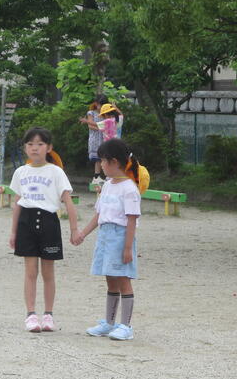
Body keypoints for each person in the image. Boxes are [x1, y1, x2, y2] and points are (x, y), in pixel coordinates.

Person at [9, 127, 79, 333]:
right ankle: (31, 315)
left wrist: (74, 229)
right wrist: (13, 232)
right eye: (30, 144)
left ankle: (48, 315)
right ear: (25, 148)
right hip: (26, 222)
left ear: (49, 148)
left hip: (49, 222)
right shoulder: (20, 172)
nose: (35, 148)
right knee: (30, 271)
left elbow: (68, 201)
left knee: (48, 272)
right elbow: (17, 203)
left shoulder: (56, 172)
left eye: (40, 144)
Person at [73, 138, 142, 341]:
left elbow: (131, 220)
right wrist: (83, 234)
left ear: (114, 162)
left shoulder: (129, 188)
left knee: (123, 280)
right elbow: (99, 215)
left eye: (103, 160)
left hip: (120, 238)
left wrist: (127, 248)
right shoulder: (108, 186)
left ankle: (126, 326)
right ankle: (109, 323)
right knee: (110, 280)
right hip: (105, 237)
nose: (100, 165)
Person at [79, 99, 106, 185]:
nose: (101, 107)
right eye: (100, 105)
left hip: (104, 137)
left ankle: (100, 176)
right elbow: (90, 126)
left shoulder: (105, 113)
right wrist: (103, 128)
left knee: (103, 157)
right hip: (95, 138)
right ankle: (96, 176)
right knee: (98, 158)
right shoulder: (91, 113)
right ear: (96, 104)